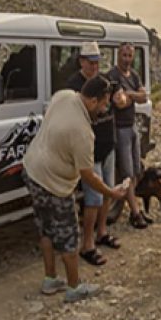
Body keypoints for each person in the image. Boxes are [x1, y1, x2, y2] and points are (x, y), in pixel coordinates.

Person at [22, 75, 127, 302]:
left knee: (46, 228)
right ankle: (73, 287)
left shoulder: (64, 96)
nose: (105, 107)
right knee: (69, 235)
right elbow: (88, 175)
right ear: (91, 101)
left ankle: (50, 279)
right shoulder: (83, 132)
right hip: (54, 183)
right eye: (103, 103)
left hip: (32, 170)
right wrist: (112, 193)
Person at [66, 41, 125, 266]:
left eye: (97, 63)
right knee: (93, 198)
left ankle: (102, 232)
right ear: (81, 61)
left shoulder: (101, 80)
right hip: (90, 150)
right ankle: (87, 244)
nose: (94, 67)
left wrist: (119, 94)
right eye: (90, 63)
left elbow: (116, 88)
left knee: (107, 192)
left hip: (107, 143)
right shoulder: (74, 85)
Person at [108, 42, 151, 229]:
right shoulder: (113, 76)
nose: (127, 59)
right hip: (120, 128)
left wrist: (130, 94)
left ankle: (133, 209)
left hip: (132, 126)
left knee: (135, 170)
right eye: (124, 55)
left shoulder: (133, 75)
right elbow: (120, 103)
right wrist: (135, 96)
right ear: (118, 55)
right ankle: (135, 212)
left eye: (130, 56)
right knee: (126, 173)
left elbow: (144, 96)